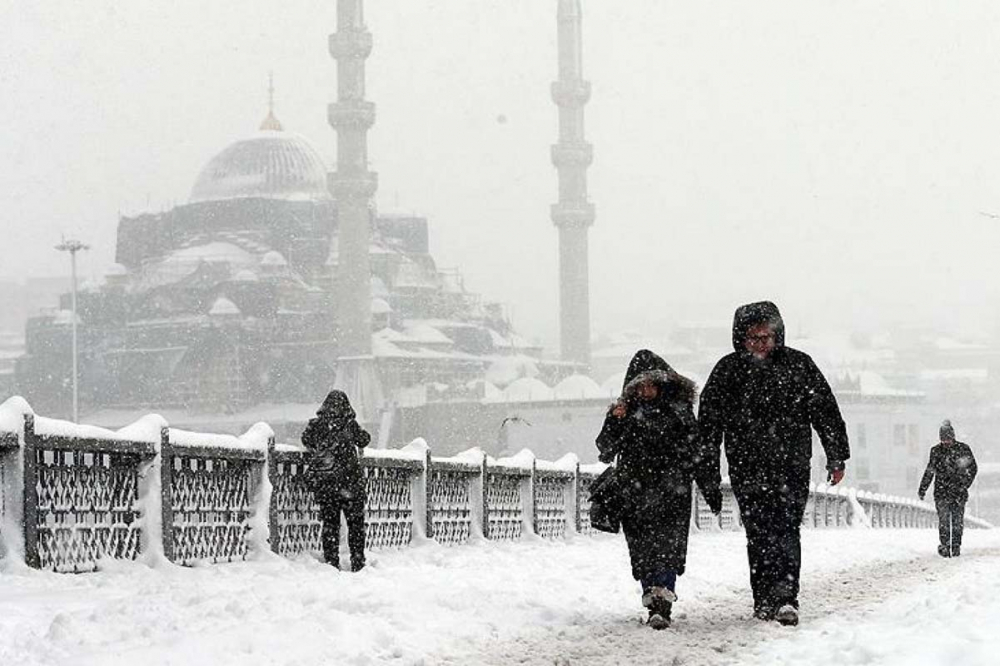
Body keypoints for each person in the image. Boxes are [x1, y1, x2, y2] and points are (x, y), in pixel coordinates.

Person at [699, 301, 850, 626]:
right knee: (758, 532)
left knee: (785, 529)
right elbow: (708, 426)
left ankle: (785, 597)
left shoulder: (798, 365)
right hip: (747, 467)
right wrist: (707, 471)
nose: (761, 344)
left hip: (791, 466)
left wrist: (836, 454)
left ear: (777, 335)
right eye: (754, 337)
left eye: (766, 336)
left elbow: (825, 411)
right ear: (741, 338)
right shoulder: (727, 372)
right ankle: (763, 598)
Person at [596, 349, 722, 630]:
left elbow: (697, 453)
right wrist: (614, 420)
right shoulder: (625, 414)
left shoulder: (679, 413)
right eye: (641, 385)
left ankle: (661, 602)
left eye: (652, 384)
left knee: (667, 548)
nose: (647, 390)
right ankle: (652, 595)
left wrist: (710, 487)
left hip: (672, 493)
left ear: (664, 383)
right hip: (635, 493)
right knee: (642, 550)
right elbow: (605, 450)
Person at [301, 390, 371, 571]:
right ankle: (358, 561)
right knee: (355, 525)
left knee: (330, 525)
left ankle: (332, 562)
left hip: (327, 485)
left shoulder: (317, 425)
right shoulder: (349, 424)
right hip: (350, 484)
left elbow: (306, 440)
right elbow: (364, 440)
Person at [918, 419, 978, 558]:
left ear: (953, 437)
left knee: (957, 521)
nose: (946, 442)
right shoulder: (936, 451)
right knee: (944, 521)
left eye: (948, 439)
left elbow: (973, 468)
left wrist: (964, 484)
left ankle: (955, 546)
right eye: (943, 440)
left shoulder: (963, 449)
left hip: (958, 492)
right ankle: (945, 545)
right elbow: (930, 471)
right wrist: (923, 488)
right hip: (942, 492)